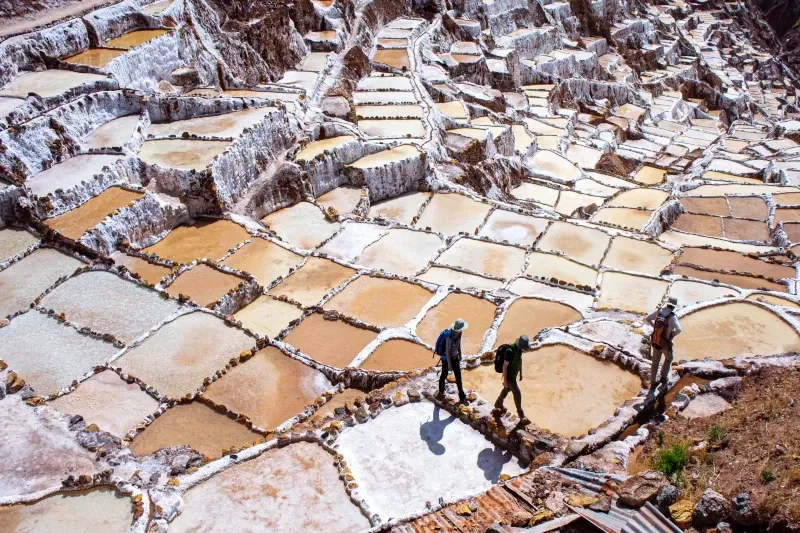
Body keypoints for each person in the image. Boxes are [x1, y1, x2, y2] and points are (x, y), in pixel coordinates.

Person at [645, 296, 682, 392]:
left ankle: (653, 382)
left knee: (655, 363)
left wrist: (654, 327)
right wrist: (671, 335)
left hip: (655, 341)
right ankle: (663, 377)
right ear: (673, 307)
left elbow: (647, 318)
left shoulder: (658, 312)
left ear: (667, 303)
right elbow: (679, 329)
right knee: (669, 358)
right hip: (665, 343)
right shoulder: (672, 316)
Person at [492, 335, 531, 425]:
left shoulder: (519, 350)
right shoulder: (510, 351)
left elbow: (519, 360)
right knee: (517, 392)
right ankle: (521, 415)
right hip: (509, 377)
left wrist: (521, 372)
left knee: (507, 389)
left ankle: (498, 404)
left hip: (513, 375)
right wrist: (505, 380)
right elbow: (505, 366)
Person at [436, 318, 468, 404]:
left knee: (458, 376)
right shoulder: (449, 338)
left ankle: (461, 394)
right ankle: (441, 393)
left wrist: (460, 356)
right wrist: (450, 367)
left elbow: (458, 345)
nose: (462, 330)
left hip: (455, 357)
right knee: (444, 374)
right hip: (446, 359)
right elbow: (447, 352)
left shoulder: (459, 333)